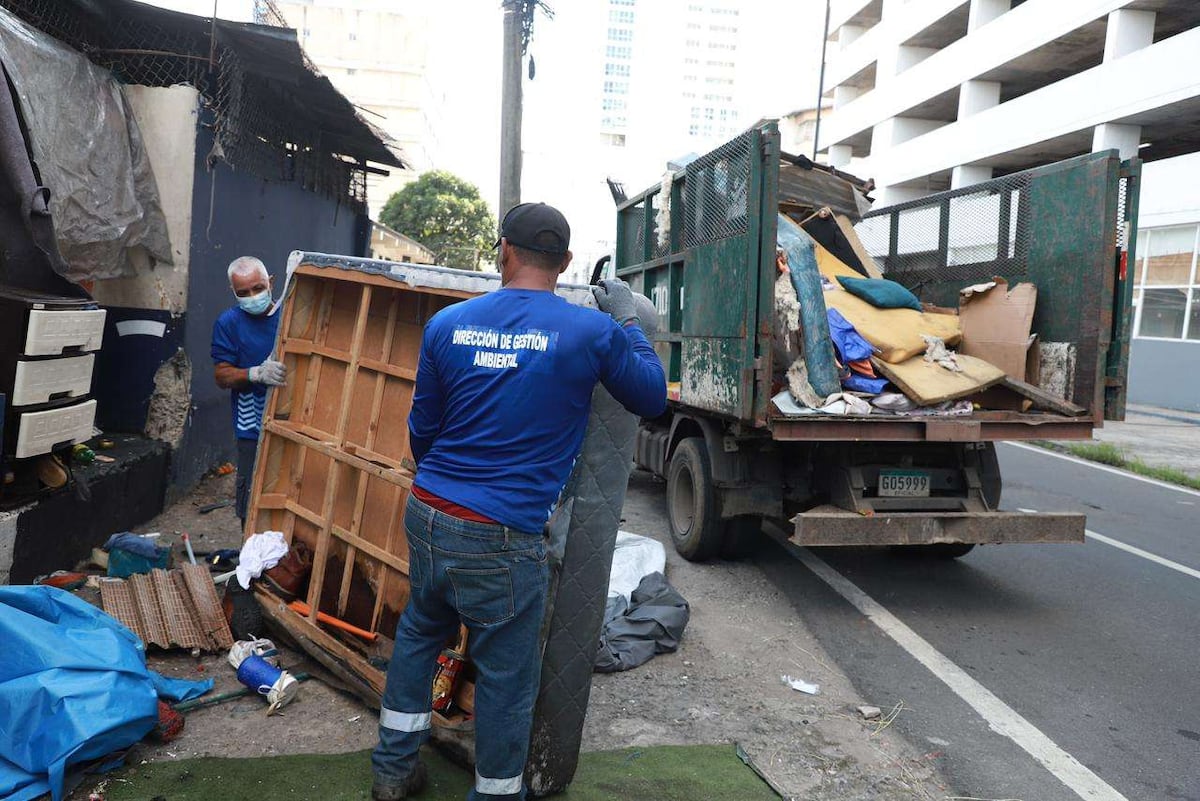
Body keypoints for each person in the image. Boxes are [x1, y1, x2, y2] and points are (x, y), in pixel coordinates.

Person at [371, 203, 666, 801]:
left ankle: (393, 772)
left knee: (418, 639)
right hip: (504, 537)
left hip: (430, 514)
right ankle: (497, 792)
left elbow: (421, 434)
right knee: (507, 677)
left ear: (503, 250)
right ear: (563, 264)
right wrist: (628, 319)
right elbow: (652, 395)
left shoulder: (448, 326)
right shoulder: (592, 331)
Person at [211, 256, 287, 528]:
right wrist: (255, 373)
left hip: (291, 423)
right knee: (251, 497)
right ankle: (250, 558)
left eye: (258, 288)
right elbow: (221, 375)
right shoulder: (228, 323)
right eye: (243, 293)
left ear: (271, 283)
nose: (252, 296)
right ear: (234, 292)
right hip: (251, 428)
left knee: (288, 495)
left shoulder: (290, 316)